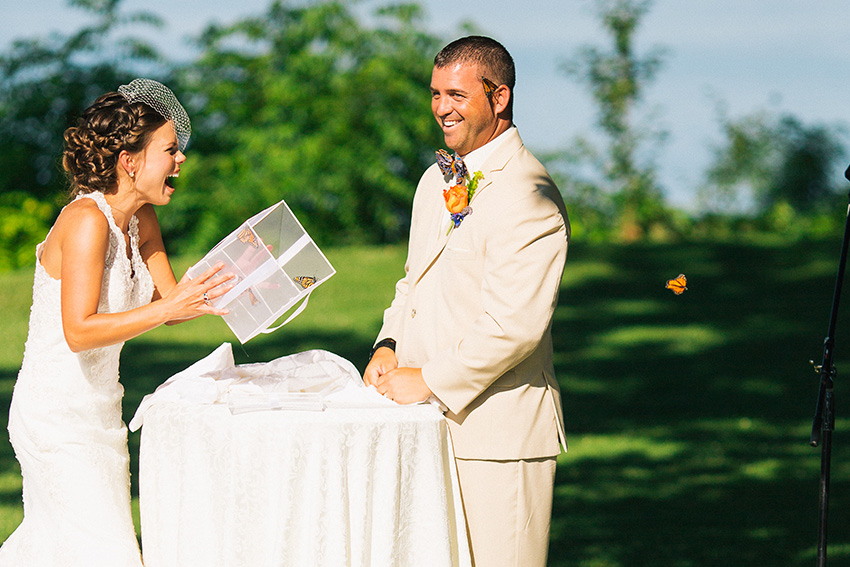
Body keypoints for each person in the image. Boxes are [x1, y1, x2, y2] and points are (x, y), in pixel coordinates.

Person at [0, 79, 234, 566]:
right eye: (170, 149)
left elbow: (172, 299)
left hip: (102, 413)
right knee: (106, 553)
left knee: (69, 548)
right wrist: (170, 308)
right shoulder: (86, 220)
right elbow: (78, 331)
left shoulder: (142, 219)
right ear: (131, 161)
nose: (181, 159)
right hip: (55, 416)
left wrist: (243, 270)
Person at [364, 36, 569, 567]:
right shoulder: (435, 180)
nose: (440, 108)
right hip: (421, 428)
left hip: (497, 438)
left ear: (498, 98)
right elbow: (412, 281)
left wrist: (429, 380)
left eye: (456, 94)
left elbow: (514, 325)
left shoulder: (529, 193)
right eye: (435, 94)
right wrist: (387, 345)